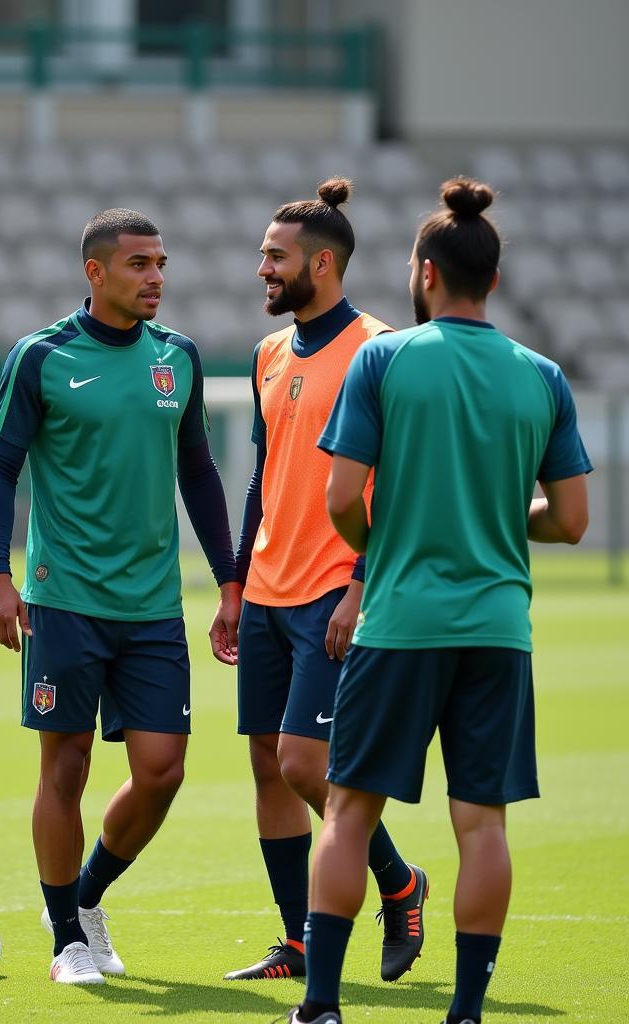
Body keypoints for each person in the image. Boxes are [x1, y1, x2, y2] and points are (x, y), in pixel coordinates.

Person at [290, 177, 591, 1024]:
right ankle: (465, 1012)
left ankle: (319, 1007)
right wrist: (501, 512)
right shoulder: (543, 376)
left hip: (399, 621)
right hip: (498, 629)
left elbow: (342, 496)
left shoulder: (384, 358)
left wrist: (379, 545)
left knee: (348, 814)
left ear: (424, 274)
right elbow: (570, 519)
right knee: (482, 826)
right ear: (491, 281)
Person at [0, 208, 241, 985]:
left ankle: (83, 899)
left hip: (155, 603)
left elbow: (199, 472)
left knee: (163, 771)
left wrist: (229, 581)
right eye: (138, 265)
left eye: (161, 263)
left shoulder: (179, 358)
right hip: (64, 599)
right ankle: (66, 941)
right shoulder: (41, 357)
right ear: (95, 273)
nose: (155, 277)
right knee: (65, 769)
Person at [219, 180, 427, 984]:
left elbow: (399, 482)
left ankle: (400, 883)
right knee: (269, 766)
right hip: (267, 590)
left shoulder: (382, 349)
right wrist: (236, 585)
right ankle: (298, 941)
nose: (262, 268)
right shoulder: (271, 352)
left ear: (325, 262)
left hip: (334, 592)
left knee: (309, 764)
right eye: (264, 255)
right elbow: (262, 481)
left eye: (276, 257)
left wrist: (360, 584)